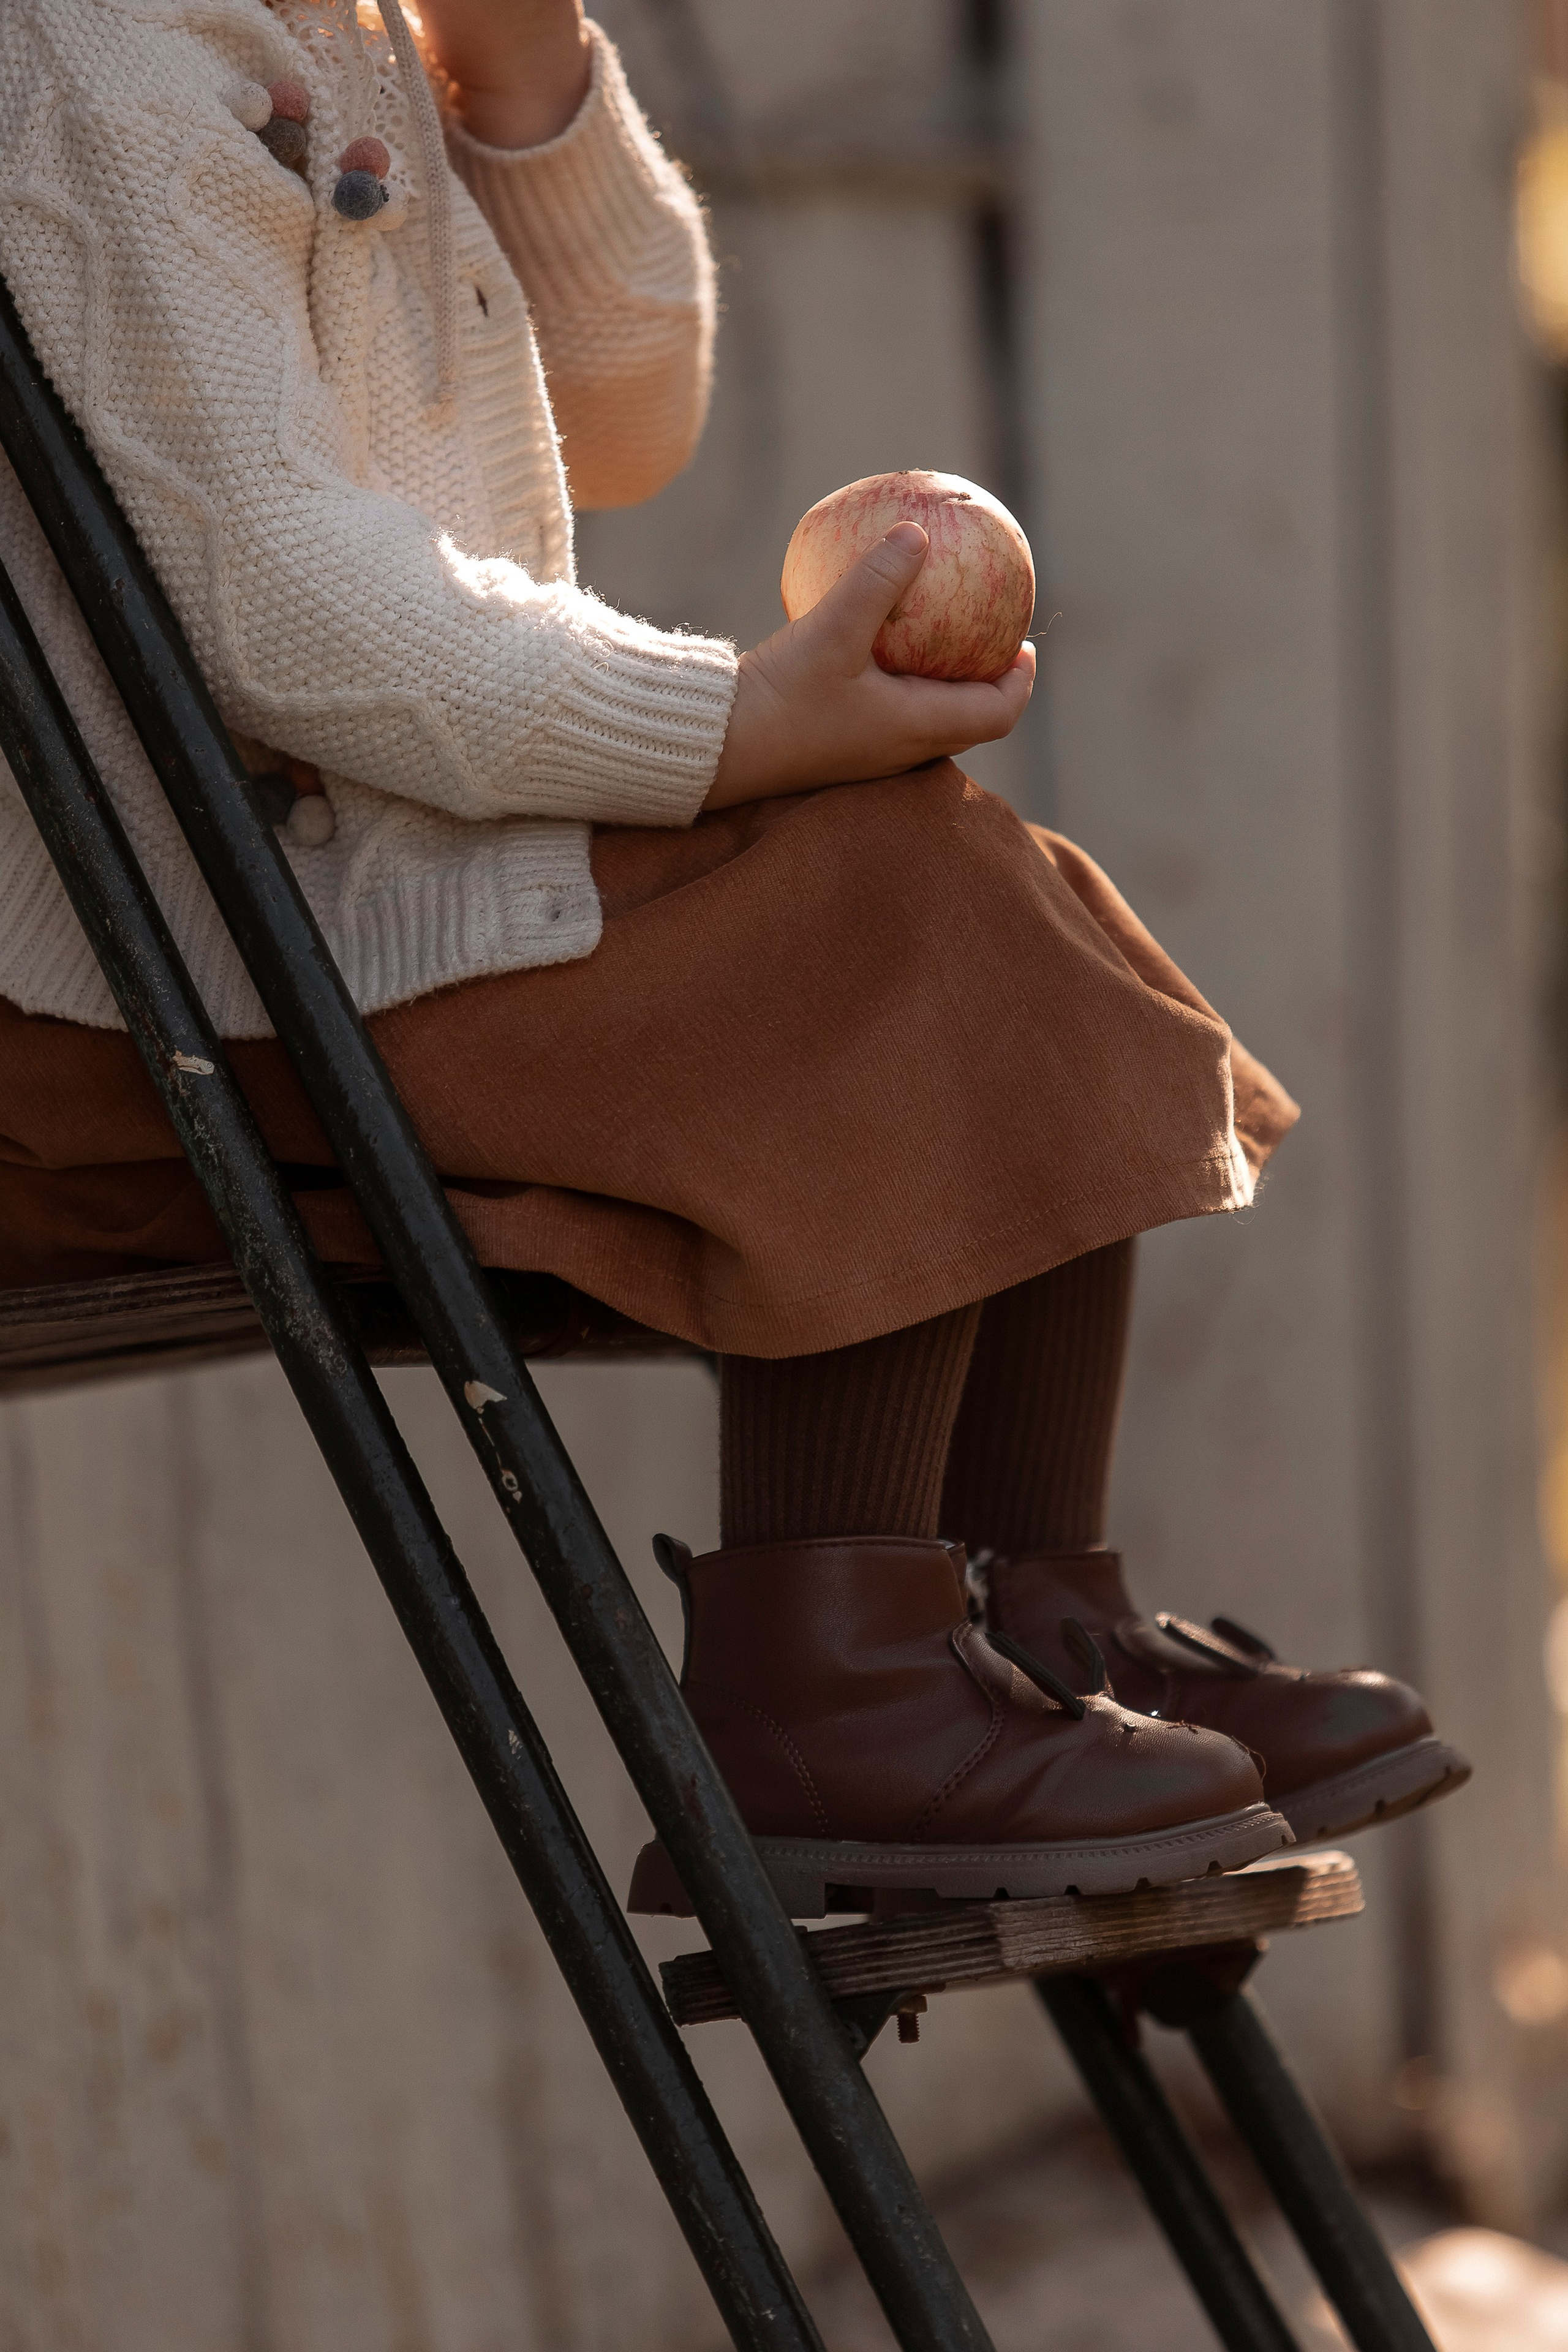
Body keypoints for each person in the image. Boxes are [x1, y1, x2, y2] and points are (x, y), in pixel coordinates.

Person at [0, 0, 1467, 1915]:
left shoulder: (337, 25)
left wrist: (518, 80)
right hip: (142, 989)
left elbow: (625, 417)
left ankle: (1031, 1628)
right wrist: (745, 724)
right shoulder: (94, 52)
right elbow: (287, 610)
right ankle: (830, 1700)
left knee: (977, 890)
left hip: (326, 887)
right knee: (872, 927)